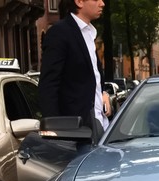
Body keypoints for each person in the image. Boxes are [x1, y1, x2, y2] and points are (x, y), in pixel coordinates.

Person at [38, 0, 111, 137]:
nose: (102, 4)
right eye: (96, 0)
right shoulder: (59, 33)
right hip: (76, 133)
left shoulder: (89, 34)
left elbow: (89, 77)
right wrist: (55, 130)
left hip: (99, 126)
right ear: (79, 2)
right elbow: (48, 85)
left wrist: (103, 93)